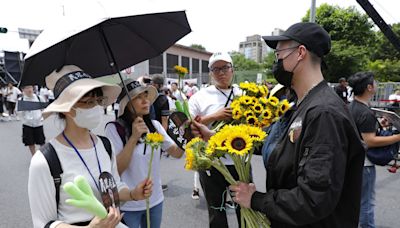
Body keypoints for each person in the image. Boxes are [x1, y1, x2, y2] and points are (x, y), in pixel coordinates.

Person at [227, 22, 365, 227]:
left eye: (279, 54)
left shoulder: (323, 113)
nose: (277, 61)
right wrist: (219, 137)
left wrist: (256, 199)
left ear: (300, 52)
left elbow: (313, 199)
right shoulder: (302, 104)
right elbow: (277, 145)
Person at [28, 65, 152, 228]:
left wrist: (132, 193)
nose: (95, 107)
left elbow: (113, 185)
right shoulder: (45, 159)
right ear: (66, 109)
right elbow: (43, 223)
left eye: (98, 101)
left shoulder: (105, 145)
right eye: (87, 102)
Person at [105, 79, 184, 228]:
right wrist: (134, 137)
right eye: (137, 97)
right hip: (128, 204)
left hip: (155, 200)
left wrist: (186, 138)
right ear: (126, 104)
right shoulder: (114, 129)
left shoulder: (155, 126)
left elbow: (176, 153)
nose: (145, 101)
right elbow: (116, 169)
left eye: (146, 96)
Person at [188, 52, 242, 227]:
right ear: (210, 73)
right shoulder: (199, 97)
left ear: (232, 69)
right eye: (216, 69)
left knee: (246, 209)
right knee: (216, 211)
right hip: (211, 163)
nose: (221, 72)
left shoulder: (243, 94)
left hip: (240, 163)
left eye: (225, 67)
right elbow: (189, 128)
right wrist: (214, 116)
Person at [348, 72, 400, 228]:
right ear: (369, 88)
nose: (377, 85)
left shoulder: (351, 107)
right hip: (364, 165)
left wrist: (380, 126)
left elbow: (360, 133)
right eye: (375, 83)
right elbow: (370, 141)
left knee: (355, 201)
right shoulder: (365, 112)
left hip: (351, 161)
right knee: (367, 203)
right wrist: (398, 137)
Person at [18, 85, 46, 155]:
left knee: (41, 142)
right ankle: (34, 156)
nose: (29, 90)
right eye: (27, 88)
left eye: (30, 87)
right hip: (27, 125)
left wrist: (41, 118)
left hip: (38, 124)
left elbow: (44, 109)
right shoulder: (21, 100)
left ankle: (43, 155)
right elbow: (19, 113)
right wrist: (25, 120)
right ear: (23, 90)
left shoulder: (39, 98)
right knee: (30, 142)